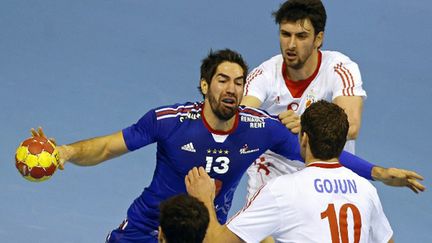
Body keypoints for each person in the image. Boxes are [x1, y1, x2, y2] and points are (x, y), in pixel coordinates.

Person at [30, 49, 422, 242]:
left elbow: (323, 154)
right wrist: (64, 151)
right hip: (148, 226)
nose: (232, 88)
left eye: (238, 81)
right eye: (222, 80)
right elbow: (106, 147)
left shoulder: (259, 128)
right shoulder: (169, 121)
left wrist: (378, 173)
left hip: (203, 234)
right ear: (205, 86)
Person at [185, 100, 394, 243]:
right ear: (341, 144)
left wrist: (204, 199)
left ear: (304, 139)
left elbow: (216, 241)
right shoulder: (366, 191)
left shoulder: (282, 190)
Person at [242, 0, 384, 200]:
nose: (291, 45)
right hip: (273, 179)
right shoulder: (263, 75)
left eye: (301, 36)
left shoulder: (339, 69)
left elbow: (351, 126)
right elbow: (241, 115)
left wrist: (307, 126)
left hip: (327, 178)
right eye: (285, 34)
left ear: (318, 39)